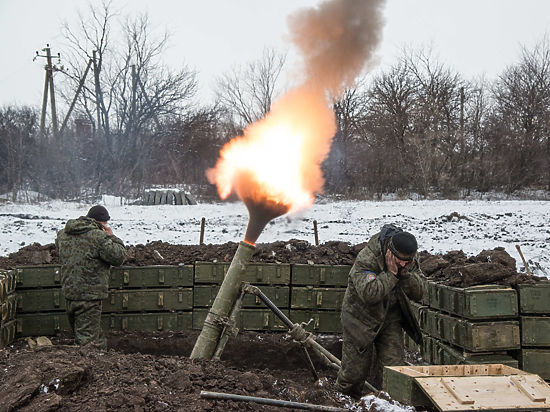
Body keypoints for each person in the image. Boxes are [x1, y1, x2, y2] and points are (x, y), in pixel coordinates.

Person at [335, 224, 424, 398]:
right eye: (400, 260)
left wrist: (405, 275)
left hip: (390, 318)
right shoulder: (367, 258)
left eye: (408, 261)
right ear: (390, 251)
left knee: (394, 369)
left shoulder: (409, 259)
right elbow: (369, 294)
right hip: (359, 319)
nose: (403, 264)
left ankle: (392, 404)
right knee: (354, 373)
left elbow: (420, 292)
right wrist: (391, 274)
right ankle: (343, 401)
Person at [55, 205, 126, 349]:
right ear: (101, 223)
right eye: (105, 224)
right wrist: (112, 237)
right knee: (87, 344)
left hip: (69, 294)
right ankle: (85, 367)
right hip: (89, 297)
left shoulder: (63, 234)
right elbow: (119, 257)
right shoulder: (99, 237)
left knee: (90, 335)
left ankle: (100, 359)